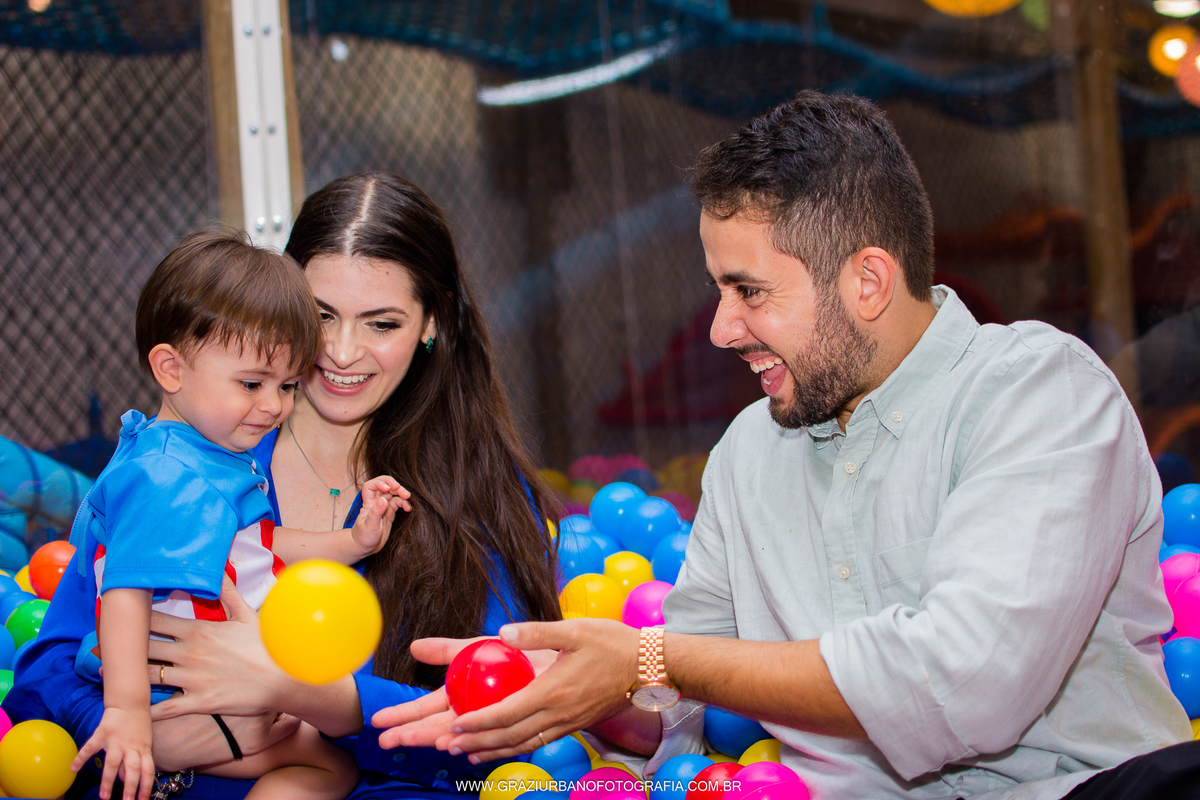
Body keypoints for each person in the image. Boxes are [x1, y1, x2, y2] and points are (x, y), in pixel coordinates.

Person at [371, 91, 1198, 800]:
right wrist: (554, 693)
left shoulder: (1038, 390)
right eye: (719, 291)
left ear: (868, 281)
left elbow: (964, 680)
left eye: (751, 292)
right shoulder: (747, 453)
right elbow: (678, 699)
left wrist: (646, 656)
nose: (723, 328)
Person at [4, 173, 562, 799]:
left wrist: (313, 696)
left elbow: (505, 721)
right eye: (321, 316)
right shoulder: (181, 465)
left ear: (430, 325)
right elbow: (46, 668)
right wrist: (146, 739)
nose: (342, 352)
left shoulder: (474, 491)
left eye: (381, 324)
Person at [65, 229, 411, 800]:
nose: (273, 405)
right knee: (331, 767)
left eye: (287, 386)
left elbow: (260, 544)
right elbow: (125, 590)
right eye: (251, 384)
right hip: (181, 707)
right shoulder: (168, 475)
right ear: (171, 370)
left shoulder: (205, 457)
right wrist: (126, 714)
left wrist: (354, 541)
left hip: (201, 696)